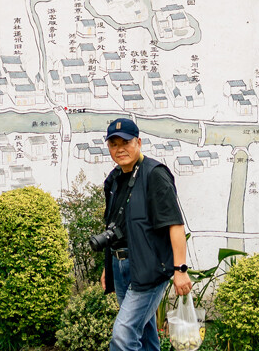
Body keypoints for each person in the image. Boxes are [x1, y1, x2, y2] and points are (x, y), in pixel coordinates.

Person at [98, 118, 191, 351]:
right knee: (145, 328)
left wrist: (180, 270)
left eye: (126, 142)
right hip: (120, 266)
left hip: (148, 267)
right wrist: (107, 268)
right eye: (114, 144)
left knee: (124, 333)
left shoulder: (154, 175)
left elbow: (175, 225)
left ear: (138, 142)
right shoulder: (114, 179)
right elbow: (116, 227)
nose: (120, 149)